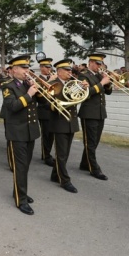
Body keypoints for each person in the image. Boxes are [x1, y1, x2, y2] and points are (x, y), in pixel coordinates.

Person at [2, 55, 40, 215]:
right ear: (14, 69)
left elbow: (43, 103)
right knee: (20, 165)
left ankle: (18, 190)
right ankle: (21, 199)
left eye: (28, 68)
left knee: (26, 164)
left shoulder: (27, 84)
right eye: (24, 68)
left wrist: (37, 91)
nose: (27, 71)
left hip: (30, 130)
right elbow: (13, 106)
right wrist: (30, 94)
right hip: (17, 132)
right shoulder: (8, 86)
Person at [77, 53, 113, 180]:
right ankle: (94, 168)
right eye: (98, 63)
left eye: (101, 64)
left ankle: (84, 163)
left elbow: (108, 92)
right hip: (89, 113)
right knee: (90, 142)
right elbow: (86, 94)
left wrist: (107, 82)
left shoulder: (99, 76)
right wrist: (102, 83)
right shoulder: (83, 75)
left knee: (95, 141)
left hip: (100, 112)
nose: (99, 66)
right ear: (90, 62)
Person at [47, 59, 81, 194]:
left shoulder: (71, 84)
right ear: (59, 72)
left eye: (70, 70)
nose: (70, 72)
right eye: (67, 70)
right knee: (61, 154)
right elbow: (48, 104)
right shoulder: (52, 84)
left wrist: (82, 88)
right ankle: (64, 180)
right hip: (59, 122)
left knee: (65, 152)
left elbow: (78, 99)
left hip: (70, 121)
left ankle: (55, 174)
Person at [36, 57, 55, 167]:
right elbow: (40, 96)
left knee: (51, 134)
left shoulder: (52, 77)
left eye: (50, 67)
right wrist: (50, 81)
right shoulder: (37, 79)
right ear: (41, 68)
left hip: (53, 109)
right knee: (46, 134)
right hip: (43, 109)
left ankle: (47, 154)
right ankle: (46, 155)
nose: (49, 69)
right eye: (47, 67)